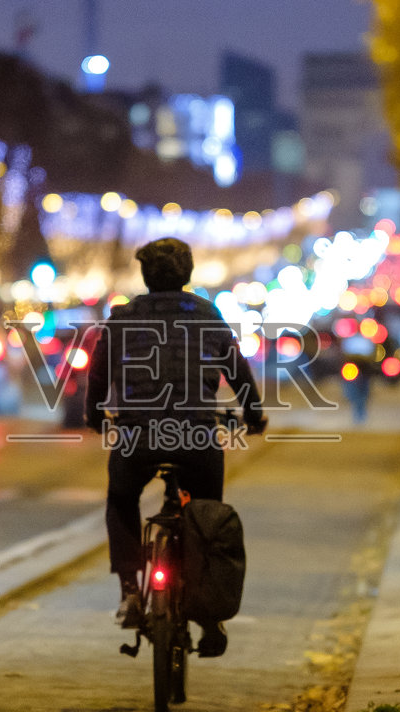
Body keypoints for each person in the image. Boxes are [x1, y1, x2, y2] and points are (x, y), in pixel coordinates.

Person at [85, 237, 267, 655]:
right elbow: (237, 372)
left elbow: (97, 377)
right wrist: (253, 416)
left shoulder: (123, 318)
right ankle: (209, 616)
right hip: (197, 436)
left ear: (146, 276)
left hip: (136, 436)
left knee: (122, 498)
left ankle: (131, 590)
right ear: (186, 274)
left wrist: (96, 417)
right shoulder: (207, 316)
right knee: (206, 513)